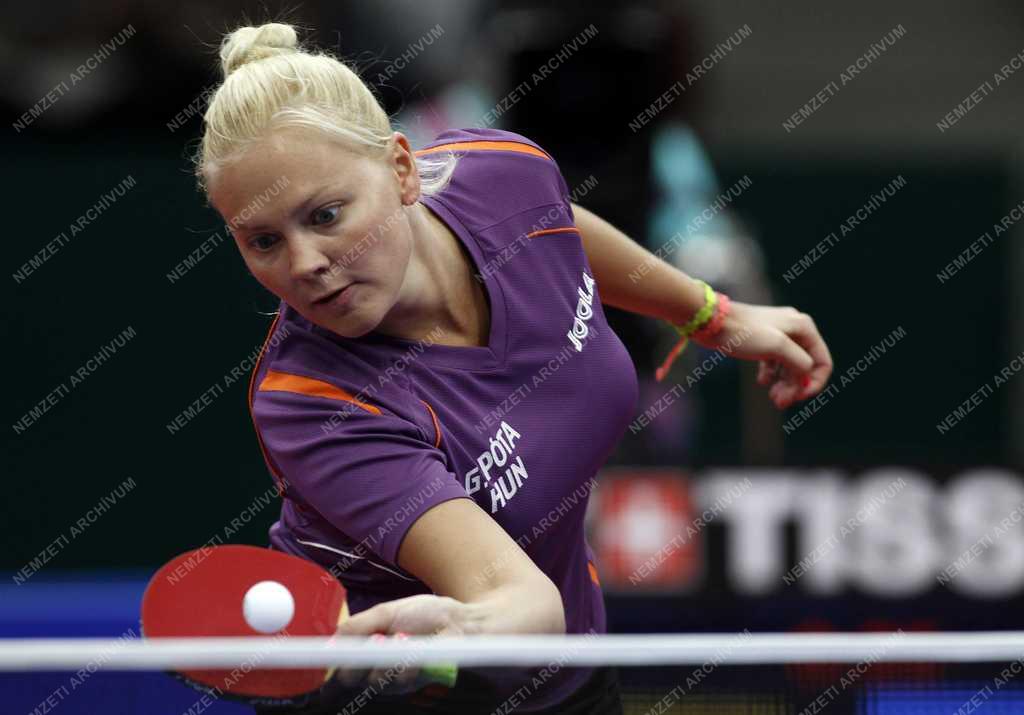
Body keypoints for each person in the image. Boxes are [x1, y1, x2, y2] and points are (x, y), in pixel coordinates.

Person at [195, 21, 833, 715]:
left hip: (567, 677)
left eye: (325, 215)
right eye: (263, 241)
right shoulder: (313, 401)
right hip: (393, 691)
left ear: (402, 171)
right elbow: (523, 602)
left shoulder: (502, 175)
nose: (304, 264)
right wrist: (445, 639)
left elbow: (554, 223)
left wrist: (710, 314)